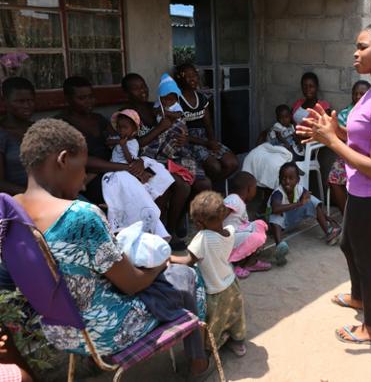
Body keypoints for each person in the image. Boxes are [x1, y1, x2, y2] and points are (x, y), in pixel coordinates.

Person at [13, 119, 213, 380]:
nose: (84, 181)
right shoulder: (80, 215)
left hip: (58, 329)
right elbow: (132, 284)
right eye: (82, 168)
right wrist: (160, 263)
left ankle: (95, 364)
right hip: (106, 331)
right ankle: (198, 362)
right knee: (187, 275)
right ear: (62, 160)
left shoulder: (11, 215)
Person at [297, 15, 371, 345]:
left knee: (367, 261)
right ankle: (359, 298)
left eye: (363, 47)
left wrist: (332, 141)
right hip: (360, 189)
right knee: (349, 244)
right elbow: (360, 139)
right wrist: (336, 132)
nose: (356, 53)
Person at [170, 191, 247, 357]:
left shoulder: (203, 238)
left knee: (215, 321)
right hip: (232, 284)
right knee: (235, 315)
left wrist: (168, 258)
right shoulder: (230, 231)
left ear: (199, 224)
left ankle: (212, 346)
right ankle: (238, 342)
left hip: (215, 291)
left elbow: (188, 261)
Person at [120, 73, 192, 243]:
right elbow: (133, 144)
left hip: (163, 157)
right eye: (136, 89)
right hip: (141, 160)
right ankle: (162, 233)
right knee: (174, 186)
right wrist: (160, 128)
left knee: (187, 184)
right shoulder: (126, 115)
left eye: (143, 86)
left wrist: (183, 137)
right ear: (126, 93)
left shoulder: (156, 105)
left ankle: (171, 227)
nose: (142, 91)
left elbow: (174, 126)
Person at [57, 76, 148, 205]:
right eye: (82, 98)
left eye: (91, 97)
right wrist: (127, 167)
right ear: (68, 99)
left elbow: (121, 142)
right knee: (130, 192)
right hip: (87, 178)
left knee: (154, 181)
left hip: (115, 168)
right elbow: (83, 161)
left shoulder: (98, 119)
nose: (89, 101)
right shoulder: (62, 124)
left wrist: (137, 161)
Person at [101, 109, 174, 237]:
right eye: (119, 127)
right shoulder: (119, 139)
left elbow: (130, 160)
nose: (121, 130)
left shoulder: (133, 143)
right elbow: (107, 142)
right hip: (115, 168)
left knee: (136, 184)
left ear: (134, 130)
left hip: (127, 167)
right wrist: (118, 141)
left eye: (125, 127)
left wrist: (123, 146)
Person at [175, 63, 239, 182]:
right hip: (189, 142)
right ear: (180, 78)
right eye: (188, 76)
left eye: (194, 75)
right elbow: (181, 133)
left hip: (204, 139)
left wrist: (212, 142)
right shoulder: (177, 101)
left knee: (233, 163)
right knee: (215, 166)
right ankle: (209, 189)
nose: (193, 79)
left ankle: (213, 185)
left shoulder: (202, 98)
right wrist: (206, 143)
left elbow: (208, 124)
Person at [268, 162, 340, 266]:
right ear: (280, 179)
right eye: (283, 178)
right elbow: (275, 209)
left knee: (310, 200)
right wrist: (299, 204)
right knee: (276, 215)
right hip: (276, 228)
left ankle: (328, 232)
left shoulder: (299, 189)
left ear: (297, 180)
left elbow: (310, 200)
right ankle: (280, 247)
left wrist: (324, 216)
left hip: (290, 222)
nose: (287, 181)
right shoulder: (278, 193)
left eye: (291, 178)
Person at [327, 80, 371, 214]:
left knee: (367, 181)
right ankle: (347, 214)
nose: (358, 97)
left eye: (362, 94)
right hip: (347, 155)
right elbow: (340, 137)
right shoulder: (345, 113)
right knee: (333, 178)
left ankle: (367, 216)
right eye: (355, 94)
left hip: (369, 156)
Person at [223, 171, 271, 278]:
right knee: (256, 236)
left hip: (236, 233)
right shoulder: (234, 199)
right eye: (255, 188)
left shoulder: (239, 200)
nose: (255, 191)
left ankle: (250, 263)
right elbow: (220, 214)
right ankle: (233, 265)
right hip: (228, 238)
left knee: (259, 225)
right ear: (249, 189)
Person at [0, 77, 35, 195]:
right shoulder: (2, 134)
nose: (27, 105)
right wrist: (33, 195)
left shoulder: (40, 129)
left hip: (53, 193)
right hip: (18, 199)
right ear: (4, 102)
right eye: (20, 101)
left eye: (30, 100)